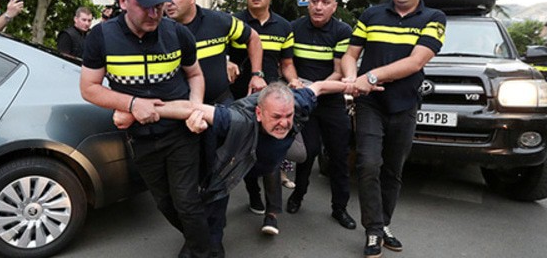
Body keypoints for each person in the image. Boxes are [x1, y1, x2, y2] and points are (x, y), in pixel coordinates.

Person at [112, 81, 363, 241]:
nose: (284, 122)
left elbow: (318, 86)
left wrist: (350, 85)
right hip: (235, 157)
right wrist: (138, 109)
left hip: (268, 158)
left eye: (287, 116)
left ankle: (271, 211)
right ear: (259, 113)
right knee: (216, 197)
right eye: (276, 116)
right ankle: (211, 243)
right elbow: (190, 108)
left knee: (295, 156)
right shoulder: (237, 120)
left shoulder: (298, 104)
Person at [79, 0, 211, 258]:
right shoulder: (100, 37)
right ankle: (200, 240)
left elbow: (195, 75)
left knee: (187, 202)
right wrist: (130, 104)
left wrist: (196, 109)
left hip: (180, 133)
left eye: (160, 6)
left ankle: (205, 251)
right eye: (146, 6)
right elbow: (89, 87)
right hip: (140, 137)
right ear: (123, 1)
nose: (155, 14)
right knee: (165, 203)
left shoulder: (178, 34)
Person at [341, 0, 446, 258]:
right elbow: (351, 55)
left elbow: (416, 62)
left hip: (404, 105)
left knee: (392, 169)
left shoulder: (434, 18)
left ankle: (384, 223)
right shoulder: (371, 14)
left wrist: (371, 76)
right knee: (368, 164)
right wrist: (351, 76)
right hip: (370, 104)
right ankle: (374, 229)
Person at [164, 0, 265, 257]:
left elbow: (253, 37)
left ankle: (213, 238)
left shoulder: (219, 21)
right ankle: (196, 235)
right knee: (184, 183)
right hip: (180, 113)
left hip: (220, 108)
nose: (168, 2)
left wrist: (256, 73)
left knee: (216, 177)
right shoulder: (160, 28)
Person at [228, 0, 304, 219]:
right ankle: (253, 194)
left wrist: (293, 79)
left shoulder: (284, 26)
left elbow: (287, 62)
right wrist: (226, 62)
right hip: (239, 99)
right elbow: (220, 55)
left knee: (271, 153)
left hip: (272, 102)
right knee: (247, 151)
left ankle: (273, 211)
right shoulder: (233, 23)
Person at [287, 0, 356, 230]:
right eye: (314, 1)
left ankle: (340, 208)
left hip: (330, 102)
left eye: (325, 2)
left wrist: (316, 88)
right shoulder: (294, 28)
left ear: (334, 7)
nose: (318, 6)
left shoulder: (342, 30)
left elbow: (339, 71)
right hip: (303, 102)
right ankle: (298, 195)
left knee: (339, 156)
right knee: (307, 153)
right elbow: (287, 63)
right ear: (308, 4)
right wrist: (296, 84)